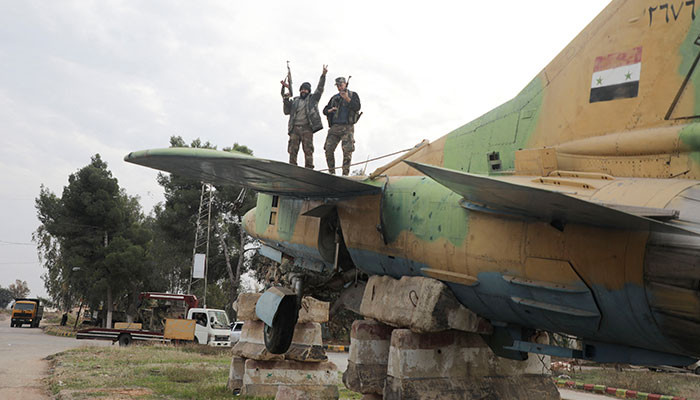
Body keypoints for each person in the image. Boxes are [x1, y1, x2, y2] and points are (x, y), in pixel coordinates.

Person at [282, 65, 328, 168]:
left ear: (309, 91)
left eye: (306, 90)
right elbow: (286, 111)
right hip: (295, 128)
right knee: (292, 150)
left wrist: (323, 75)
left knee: (308, 149)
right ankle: (292, 167)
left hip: (307, 127)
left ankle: (309, 168)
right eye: (302, 89)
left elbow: (320, 89)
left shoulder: (313, 99)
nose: (303, 91)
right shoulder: (295, 101)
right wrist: (285, 100)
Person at [323, 77, 361, 175]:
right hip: (335, 127)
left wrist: (347, 98)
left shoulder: (353, 95)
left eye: (341, 85)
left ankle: (345, 174)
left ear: (345, 84)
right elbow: (325, 110)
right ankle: (332, 172)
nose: (339, 87)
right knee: (328, 149)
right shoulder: (334, 98)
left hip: (347, 127)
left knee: (347, 151)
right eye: (338, 86)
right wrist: (330, 110)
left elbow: (357, 107)